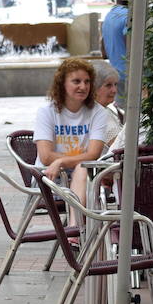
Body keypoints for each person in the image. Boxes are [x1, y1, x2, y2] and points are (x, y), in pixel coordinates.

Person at [34, 58, 112, 201]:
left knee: (82, 169)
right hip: (50, 178)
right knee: (83, 167)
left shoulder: (98, 112)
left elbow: (93, 154)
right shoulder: (46, 111)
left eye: (87, 82)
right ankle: (77, 223)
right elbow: (45, 157)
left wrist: (61, 161)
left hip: (83, 177)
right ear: (62, 84)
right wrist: (77, 159)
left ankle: (74, 224)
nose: (83, 87)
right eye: (76, 81)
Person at [101, 0, 130, 93]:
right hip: (129, 74)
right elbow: (131, 46)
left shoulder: (109, 15)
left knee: (121, 108)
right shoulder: (128, 16)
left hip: (116, 74)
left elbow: (104, 53)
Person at [93, 62, 126, 152]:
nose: (114, 90)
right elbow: (121, 149)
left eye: (115, 84)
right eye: (108, 85)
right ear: (93, 88)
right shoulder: (99, 114)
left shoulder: (103, 109)